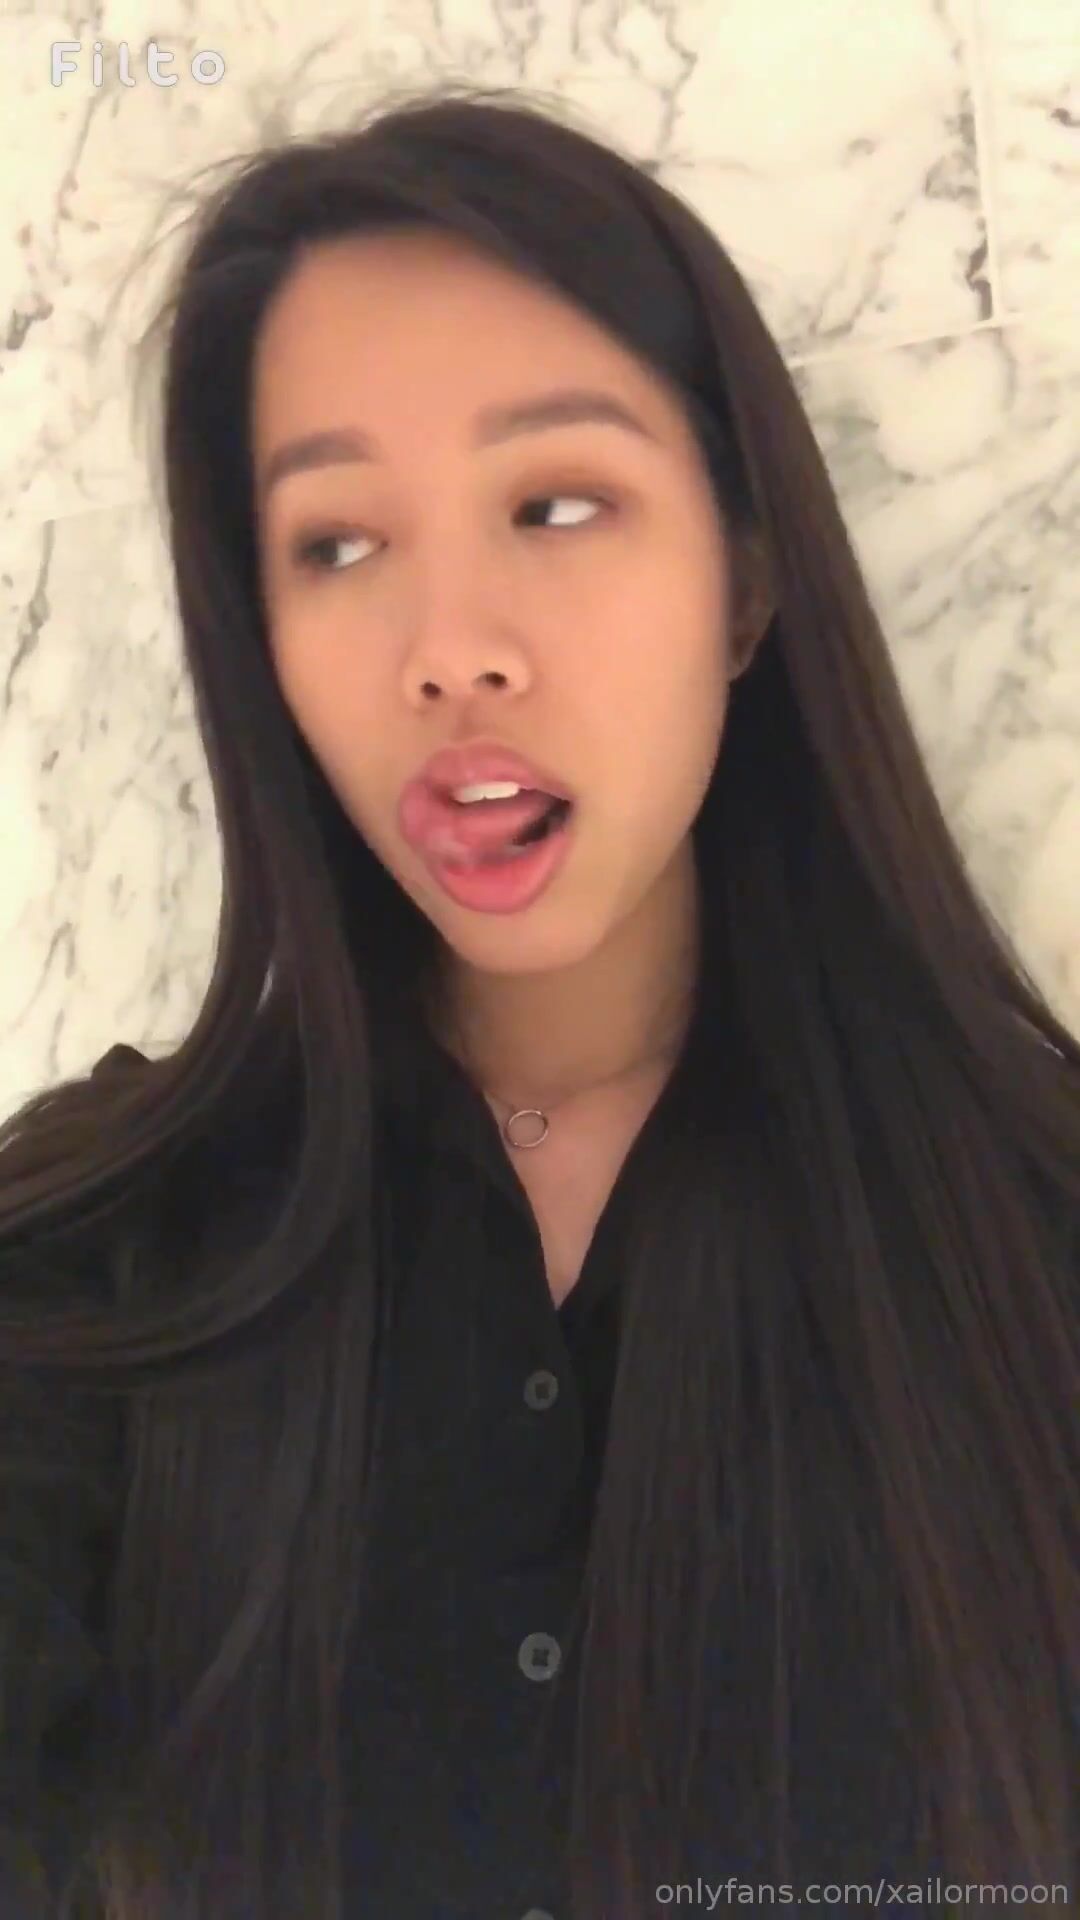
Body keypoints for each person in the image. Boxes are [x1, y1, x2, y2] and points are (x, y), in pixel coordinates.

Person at [0, 80, 1077, 1920]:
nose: (450, 652)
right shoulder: (104, 1251)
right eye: (338, 544)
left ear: (745, 581)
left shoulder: (1029, 1232)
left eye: (558, 503)